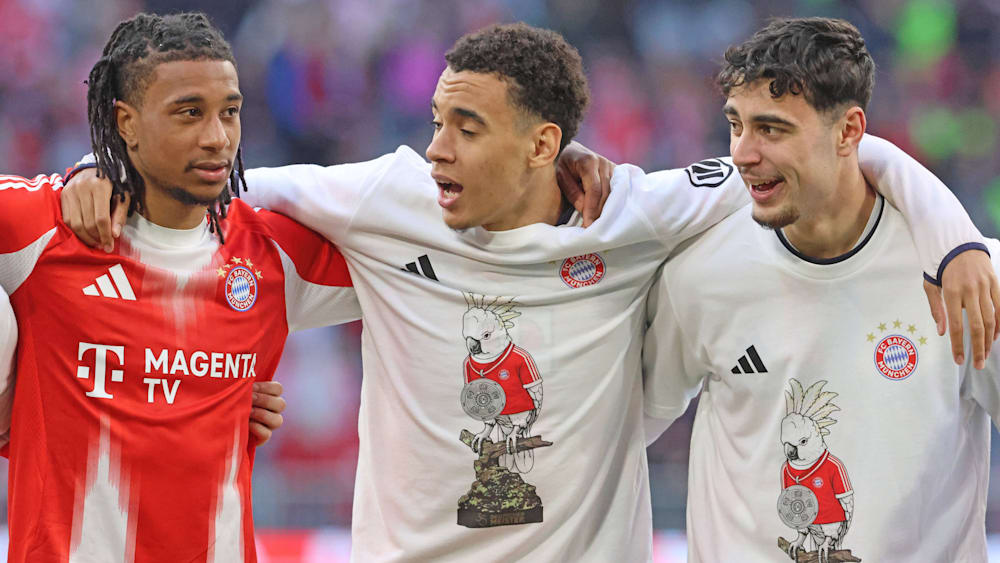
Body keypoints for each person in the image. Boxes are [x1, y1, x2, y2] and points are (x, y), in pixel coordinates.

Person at [62, 22, 994, 562]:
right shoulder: (385, 198)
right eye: (437, 119)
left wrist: (953, 239)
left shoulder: (635, 214)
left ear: (545, 145)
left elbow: (848, 157)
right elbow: (208, 187)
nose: (436, 148)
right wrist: (99, 171)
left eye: (466, 127)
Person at [0, 12, 359, 562]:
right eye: (189, 112)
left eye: (230, 112)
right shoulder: (51, 228)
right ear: (126, 122)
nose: (217, 138)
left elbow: (417, 269)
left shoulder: (274, 255)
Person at [643, 17, 1000, 562]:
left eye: (772, 129)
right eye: (736, 124)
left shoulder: (965, 278)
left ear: (849, 132)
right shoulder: (700, 270)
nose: (742, 152)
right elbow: (628, 427)